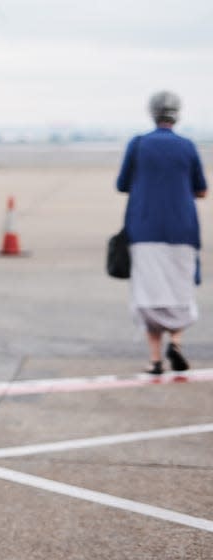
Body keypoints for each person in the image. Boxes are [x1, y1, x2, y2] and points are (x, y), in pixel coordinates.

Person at [116, 91, 207, 375]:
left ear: (152, 113)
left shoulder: (139, 144)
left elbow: (122, 184)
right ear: (177, 114)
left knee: (149, 292)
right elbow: (201, 189)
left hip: (144, 227)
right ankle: (177, 342)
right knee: (180, 289)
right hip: (183, 227)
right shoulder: (188, 146)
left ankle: (155, 359)